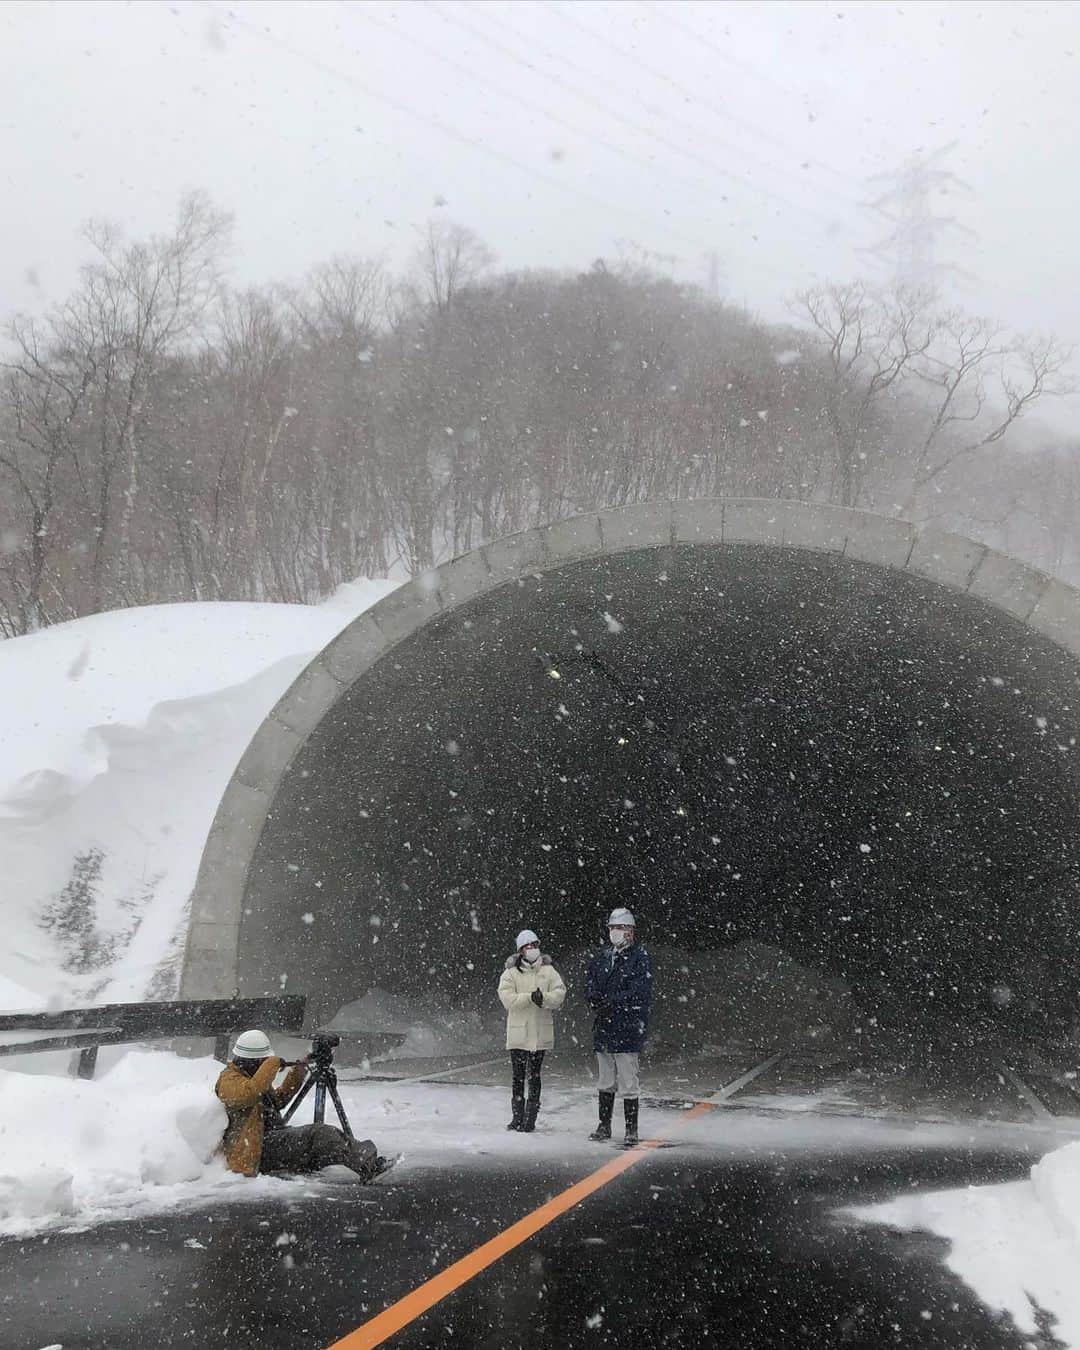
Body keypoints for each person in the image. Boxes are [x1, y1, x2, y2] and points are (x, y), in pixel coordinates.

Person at [215, 1028, 384, 1180]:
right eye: (262, 1061)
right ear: (251, 1060)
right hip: (256, 1148)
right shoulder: (229, 1079)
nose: (264, 1065)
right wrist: (271, 1064)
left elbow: (278, 1101)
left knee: (320, 1142)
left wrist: (299, 1070)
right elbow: (250, 1093)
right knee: (317, 1134)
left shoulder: (253, 1076)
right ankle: (367, 1165)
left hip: (273, 1138)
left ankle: (361, 1160)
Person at [585, 908, 652, 1145]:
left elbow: (639, 991)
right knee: (605, 1080)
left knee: (628, 1081)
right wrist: (593, 998)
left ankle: (630, 1129)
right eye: (613, 928)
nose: (616, 932)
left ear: (631, 931)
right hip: (604, 1027)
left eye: (620, 928)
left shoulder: (639, 957)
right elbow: (591, 981)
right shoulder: (603, 957)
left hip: (627, 1028)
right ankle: (604, 1125)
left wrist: (613, 1001)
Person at [497, 929, 567, 1133]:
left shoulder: (548, 971)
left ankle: (530, 1118)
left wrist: (544, 999)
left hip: (539, 1034)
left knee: (534, 1075)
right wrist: (529, 997)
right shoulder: (510, 973)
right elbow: (508, 999)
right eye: (528, 947)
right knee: (517, 1076)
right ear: (520, 951)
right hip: (519, 1034)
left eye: (535, 946)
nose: (532, 950)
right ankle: (517, 1117)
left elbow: (560, 993)